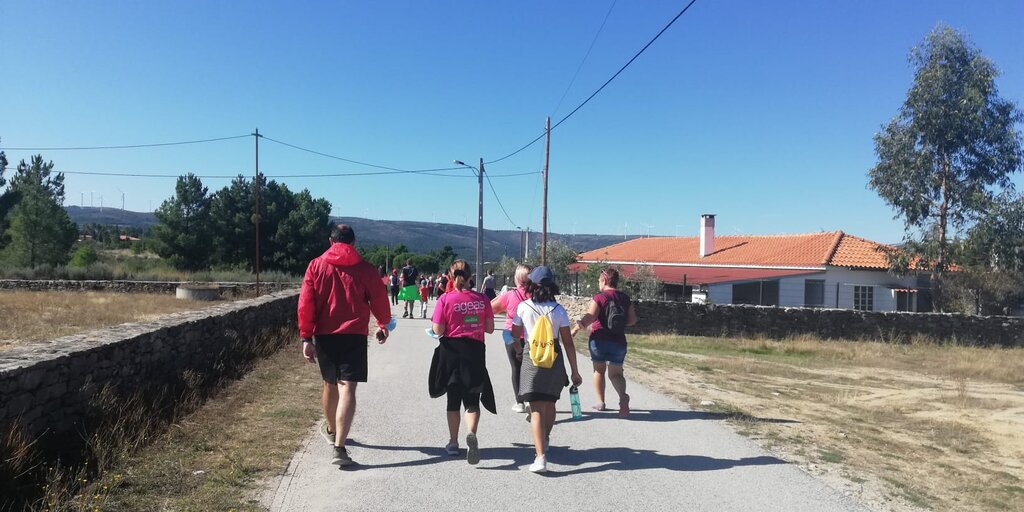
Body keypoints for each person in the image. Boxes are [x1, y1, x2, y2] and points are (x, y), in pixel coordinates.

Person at [298, 224, 394, 467]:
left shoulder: (316, 265)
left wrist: (306, 338)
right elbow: (379, 299)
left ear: (331, 241)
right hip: (354, 335)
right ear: (353, 242)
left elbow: (306, 303)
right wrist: (383, 324)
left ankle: (331, 429)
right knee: (347, 389)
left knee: (330, 384)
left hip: (325, 335)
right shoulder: (367, 269)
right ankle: (339, 448)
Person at [511, 266, 583, 473]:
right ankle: (546, 438)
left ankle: (540, 457)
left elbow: (515, 332)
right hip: (554, 358)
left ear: (531, 285)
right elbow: (568, 343)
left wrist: (518, 346)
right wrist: (575, 371)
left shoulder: (524, 307)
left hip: (532, 358)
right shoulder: (559, 310)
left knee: (535, 409)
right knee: (549, 403)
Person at [429, 259, 496, 465]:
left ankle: (452, 442)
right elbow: (490, 328)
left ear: (450, 276)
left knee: (453, 399)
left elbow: (438, 330)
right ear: (470, 277)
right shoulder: (482, 299)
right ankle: (471, 435)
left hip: (450, 352)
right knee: (472, 399)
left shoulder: (445, 299)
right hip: (474, 352)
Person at [571, 267, 638, 418]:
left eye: (599, 280)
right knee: (616, 374)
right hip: (619, 341)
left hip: (599, 340)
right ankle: (623, 397)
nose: (598, 283)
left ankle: (600, 402)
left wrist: (576, 329)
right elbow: (632, 320)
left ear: (605, 280)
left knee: (599, 370)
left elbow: (590, 317)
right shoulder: (625, 298)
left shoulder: (599, 298)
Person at [490, 264, 532, 413]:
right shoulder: (536, 295)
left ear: (517, 278)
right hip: (531, 336)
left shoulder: (510, 295)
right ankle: (530, 400)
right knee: (530, 368)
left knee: (516, 368)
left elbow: (490, 308)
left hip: (510, 335)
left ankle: (519, 402)